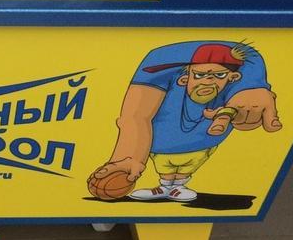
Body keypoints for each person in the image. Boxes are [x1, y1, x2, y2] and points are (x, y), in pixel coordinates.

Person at [88, 41, 281, 202]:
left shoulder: (241, 67)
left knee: (186, 168)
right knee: (165, 168)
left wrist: (250, 87)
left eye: (218, 75)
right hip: (161, 149)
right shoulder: (157, 63)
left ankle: (178, 187)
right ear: (184, 78)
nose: (207, 81)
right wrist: (129, 158)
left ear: (233, 77)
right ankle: (165, 188)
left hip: (202, 146)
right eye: (200, 75)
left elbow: (251, 52)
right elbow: (136, 115)